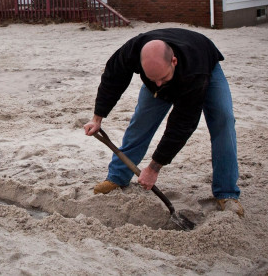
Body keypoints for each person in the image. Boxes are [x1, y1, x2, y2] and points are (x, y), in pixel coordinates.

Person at [83, 28, 243, 216]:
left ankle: (226, 192)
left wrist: (153, 167)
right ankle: (117, 177)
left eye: (163, 78)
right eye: (153, 79)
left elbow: (182, 123)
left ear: (173, 61)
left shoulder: (194, 72)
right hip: (171, 68)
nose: (159, 84)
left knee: (223, 120)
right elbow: (113, 79)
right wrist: (97, 117)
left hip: (203, 65)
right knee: (141, 122)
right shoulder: (132, 51)